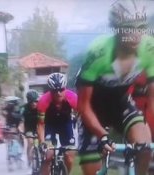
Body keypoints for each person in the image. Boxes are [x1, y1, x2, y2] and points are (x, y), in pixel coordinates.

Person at [76, 1, 154, 174]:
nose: (136, 34)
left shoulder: (150, 48)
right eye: (129, 28)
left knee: (145, 147)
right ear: (116, 29)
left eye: (141, 27)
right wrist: (102, 135)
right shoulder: (98, 52)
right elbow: (84, 106)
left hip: (120, 103)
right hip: (93, 110)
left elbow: (152, 99)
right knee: (91, 169)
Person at [37, 72, 77, 175]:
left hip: (65, 124)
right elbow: (41, 125)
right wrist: (42, 143)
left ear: (65, 88)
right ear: (50, 91)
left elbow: (83, 117)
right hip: (50, 126)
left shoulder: (73, 98)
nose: (58, 93)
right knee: (48, 155)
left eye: (61, 90)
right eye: (55, 91)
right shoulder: (43, 101)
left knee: (69, 156)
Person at [20, 90, 39, 168]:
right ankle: (29, 160)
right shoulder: (24, 108)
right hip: (29, 129)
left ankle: (41, 156)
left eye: (35, 101)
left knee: (41, 143)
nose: (34, 103)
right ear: (28, 101)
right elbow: (21, 121)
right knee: (30, 142)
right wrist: (21, 130)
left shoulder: (41, 106)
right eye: (32, 102)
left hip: (38, 128)